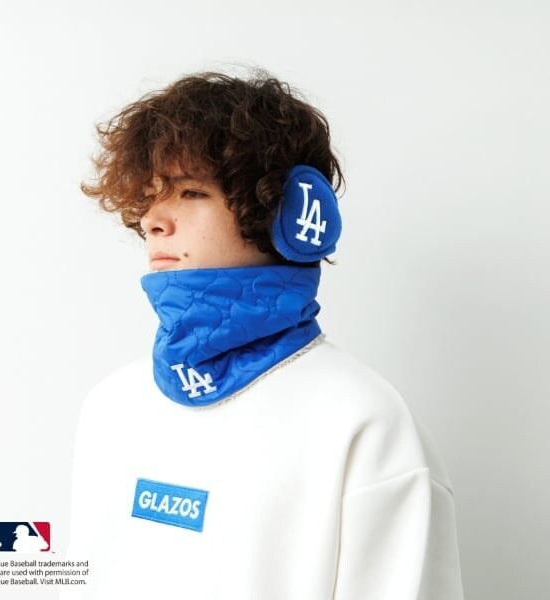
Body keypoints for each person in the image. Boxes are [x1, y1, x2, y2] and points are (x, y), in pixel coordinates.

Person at [63, 70, 464, 599]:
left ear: (286, 212)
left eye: (191, 192)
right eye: (150, 196)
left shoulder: (362, 423)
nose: (154, 220)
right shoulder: (112, 406)